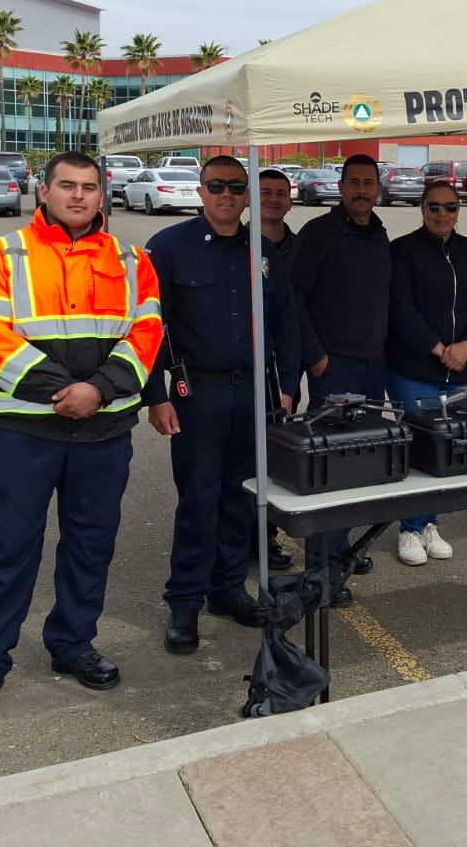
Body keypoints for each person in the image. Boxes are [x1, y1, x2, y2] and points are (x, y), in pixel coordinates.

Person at [0, 152, 163, 723]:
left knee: (90, 547)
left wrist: (97, 390)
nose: (78, 196)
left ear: (102, 195)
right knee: (10, 549)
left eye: (88, 187)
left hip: (104, 431)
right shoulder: (3, 255)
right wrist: (62, 393)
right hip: (25, 432)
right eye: (66, 186)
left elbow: (146, 334)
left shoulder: (131, 259)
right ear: (42, 192)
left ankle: (72, 646)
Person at [145, 155, 300, 655]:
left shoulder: (262, 249)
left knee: (242, 495)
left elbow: (283, 321)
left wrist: (287, 384)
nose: (227, 195)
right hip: (198, 393)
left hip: (255, 391)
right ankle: (185, 603)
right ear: (201, 190)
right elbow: (147, 327)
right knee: (198, 498)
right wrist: (156, 396)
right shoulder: (169, 247)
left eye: (237, 186)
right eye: (217, 186)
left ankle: (228, 588)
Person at [290, 153, 392, 600]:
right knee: (331, 464)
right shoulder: (318, 234)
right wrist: (315, 358)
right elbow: (294, 299)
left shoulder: (380, 234)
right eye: (354, 182)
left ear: (378, 188)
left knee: (362, 458)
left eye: (369, 183)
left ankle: (340, 545)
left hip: (374, 365)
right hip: (336, 366)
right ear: (342, 185)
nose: (361, 190)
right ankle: (323, 567)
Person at [386, 182, 467, 564]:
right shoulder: (403, 250)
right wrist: (438, 349)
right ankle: (410, 528)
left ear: (459, 210)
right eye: (433, 207)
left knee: (445, 447)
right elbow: (400, 309)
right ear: (421, 209)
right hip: (413, 366)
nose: (441, 215)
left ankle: (430, 524)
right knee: (417, 447)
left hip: (458, 369)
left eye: (449, 207)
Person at [251, 166, 301, 573]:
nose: (273, 199)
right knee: (240, 463)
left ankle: (265, 536)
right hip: (239, 372)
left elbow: (297, 316)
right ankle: (238, 536)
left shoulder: (300, 248)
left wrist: (290, 380)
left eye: (280, 193)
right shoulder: (239, 242)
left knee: (273, 460)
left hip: (283, 372)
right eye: (264, 192)